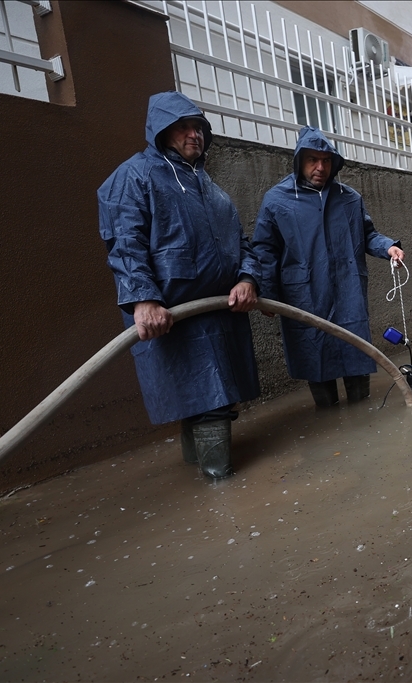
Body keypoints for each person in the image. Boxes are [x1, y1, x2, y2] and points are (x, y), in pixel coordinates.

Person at [98, 91, 261, 480]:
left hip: (219, 311)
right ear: (162, 130)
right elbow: (125, 242)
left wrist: (247, 278)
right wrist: (143, 300)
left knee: (213, 400)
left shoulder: (211, 188)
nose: (194, 135)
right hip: (173, 314)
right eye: (184, 127)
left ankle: (212, 482)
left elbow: (241, 244)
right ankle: (221, 489)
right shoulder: (134, 177)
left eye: (199, 127)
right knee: (204, 401)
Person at [253, 127, 405, 406]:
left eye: (325, 161)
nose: (320, 167)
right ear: (299, 161)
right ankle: (328, 412)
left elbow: (367, 234)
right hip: (305, 295)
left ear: (334, 163)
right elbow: (265, 250)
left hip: (347, 291)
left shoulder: (350, 198)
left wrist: (388, 247)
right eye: (312, 160)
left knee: (356, 353)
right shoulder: (277, 200)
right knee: (316, 359)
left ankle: (362, 420)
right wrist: (266, 292)